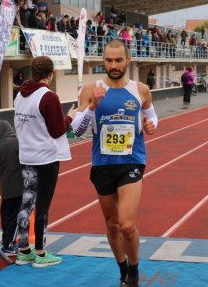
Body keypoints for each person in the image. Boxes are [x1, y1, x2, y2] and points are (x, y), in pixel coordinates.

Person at [70, 38, 158, 287]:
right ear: (103, 61)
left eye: (119, 60)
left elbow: (151, 116)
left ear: (127, 60)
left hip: (132, 161)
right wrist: (91, 106)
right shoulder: (91, 88)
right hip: (102, 164)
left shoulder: (140, 89)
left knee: (126, 225)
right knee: (111, 225)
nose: (114, 64)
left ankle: (134, 270)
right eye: (109, 60)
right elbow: (78, 131)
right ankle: (122, 270)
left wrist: (152, 125)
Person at [14, 56, 76, 267]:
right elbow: (57, 130)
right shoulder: (49, 97)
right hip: (46, 158)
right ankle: (40, 253)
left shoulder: (19, 96)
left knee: (26, 202)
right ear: (50, 75)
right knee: (42, 206)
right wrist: (70, 117)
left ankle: (23, 250)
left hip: (27, 156)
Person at [0, 120, 23, 255]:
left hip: (5, 186)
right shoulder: (16, 142)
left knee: (7, 216)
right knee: (17, 217)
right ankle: (9, 244)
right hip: (18, 185)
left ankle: (6, 241)